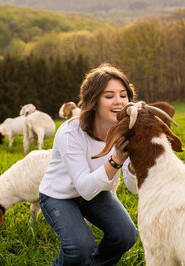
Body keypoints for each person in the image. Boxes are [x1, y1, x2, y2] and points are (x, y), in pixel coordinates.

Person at [39, 63, 139, 266]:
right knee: (80, 247)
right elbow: (84, 188)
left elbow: (133, 188)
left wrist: (135, 165)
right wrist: (117, 160)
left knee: (126, 235)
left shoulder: (126, 129)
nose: (119, 102)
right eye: (109, 96)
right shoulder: (71, 133)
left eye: (123, 95)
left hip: (96, 192)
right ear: (93, 100)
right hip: (59, 195)